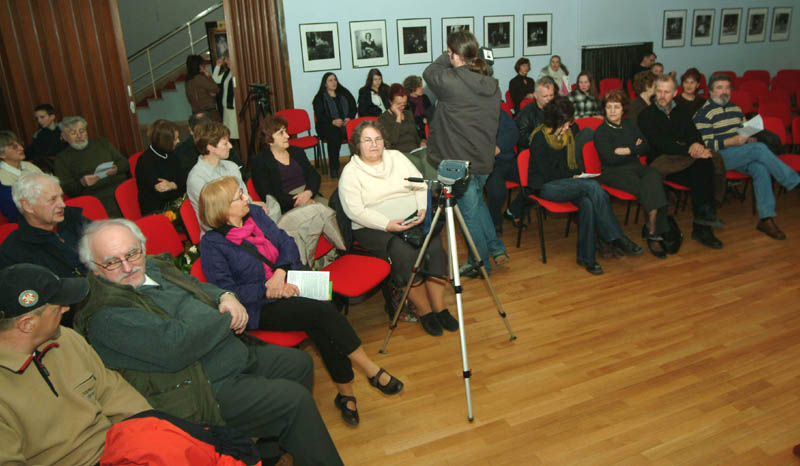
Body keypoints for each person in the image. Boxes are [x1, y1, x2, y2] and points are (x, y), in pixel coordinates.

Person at [74, 219, 344, 465]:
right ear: (95, 270)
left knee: (299, 364)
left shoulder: (154, 266)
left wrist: (225, 295)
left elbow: (198, 287)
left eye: (132, 253)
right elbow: (177, 345)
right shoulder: (105, 314)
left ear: (142, 248)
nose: (127, 267)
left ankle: (267, 452)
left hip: (227, 352)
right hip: (200, 387)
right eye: (112, 261)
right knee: (294, 402)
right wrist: (215, 309)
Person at [198, 176, 402, 426]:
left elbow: (286, 242)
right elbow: (226, 291)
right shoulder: (212, 245)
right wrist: (267, 288)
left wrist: (282, 272)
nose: (246, 198)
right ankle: (369, 372)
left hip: (290, 279)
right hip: (260, 305)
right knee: (322, 314)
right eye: (239, 197)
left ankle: (347, 394)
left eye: (242, 192)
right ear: (223, 209)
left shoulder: (254, 214)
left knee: (324, 315)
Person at [0, 263, 152, 466]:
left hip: (121, 448)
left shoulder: (66, 339)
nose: (66, 309)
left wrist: (151, 433)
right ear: (27, 324)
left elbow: (115, 393)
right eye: (57, 307)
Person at [339, 121, 456, 336]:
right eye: (367, 140)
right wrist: (387, 224)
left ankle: (440, 308)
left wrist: (422, 209)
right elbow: (354, 211)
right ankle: (425, 310)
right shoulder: (351, 172)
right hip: (374, 227)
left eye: (378, 139)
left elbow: (420, 184)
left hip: (413, 218)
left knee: (435, 246)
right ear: (357, 144)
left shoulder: (397, 158)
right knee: (404, 253)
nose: (374, 145)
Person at [423, 31, 508, 276]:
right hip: (483, 161)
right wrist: (461, 53)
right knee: (477, 207)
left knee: (469, 217)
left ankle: (480, 264)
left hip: (459, 164)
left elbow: (429, 72)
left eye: (450, 52)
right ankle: (496, 247)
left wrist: (449, 53)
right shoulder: (492, 84)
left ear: (455, 55)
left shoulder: (450, 81)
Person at [527, 97, 642, 274]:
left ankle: (586, 258)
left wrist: (575, 174)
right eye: (565, 123)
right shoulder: (539, 138)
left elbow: (566, 167)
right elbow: (547, 174)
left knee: (588, 203)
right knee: (593, 187)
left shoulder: (565, 136)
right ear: (554, 121)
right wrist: (572, 175)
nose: (568, 127)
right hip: (545, 187)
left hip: (565, 183)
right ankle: (615, 236)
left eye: (569, 123)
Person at [694, 73, 799, 240]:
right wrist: (733, 141)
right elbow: (706, 145)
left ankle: (766, 218)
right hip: (718, 158)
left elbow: (743, 131)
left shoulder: (736, 109)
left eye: (727, 88)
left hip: (739, 152)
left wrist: (748, 137)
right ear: (711, 92)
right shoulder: (703, 114)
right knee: (758, 149)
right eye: (719, 88)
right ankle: (793, 181)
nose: (724, 92)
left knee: (760, 168)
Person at [638, 74, 724, 249]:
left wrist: (696, 145)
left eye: (667, 92)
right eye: (659, 91)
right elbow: (661, 144)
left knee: (705, 164)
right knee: (702, 171)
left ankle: (702, 226)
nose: (662, 96)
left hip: (685, 160)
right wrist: (690, 150)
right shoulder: (646, 115)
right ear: (654, 91)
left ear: (675, 92)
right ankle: (703, 221)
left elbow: (693, 134)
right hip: (662, 163)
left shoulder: (681, 111)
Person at [593, 89, 670, 258]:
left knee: (655, 175)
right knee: (647, 186)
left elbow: (646, 146)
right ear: (604, 110)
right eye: (609, 107)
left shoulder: (629, 124)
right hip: (612, 172)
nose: (613, 111)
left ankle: (652, 223)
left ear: (623, 109)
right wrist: (634, 149)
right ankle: (654, 231)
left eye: (617, 107)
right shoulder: (601, 132)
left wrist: (627, 149)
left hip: (634, 166)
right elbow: (610, 159)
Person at [0, 173, 89, 291]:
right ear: (27, 206)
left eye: (61, 197)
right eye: (53, 199)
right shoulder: (14, 252)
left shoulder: (74, 219)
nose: (62, 204)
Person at [187, 120, 280, 229]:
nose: (230, 146)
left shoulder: (231, 167)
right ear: (210, 148)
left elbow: (245, 199)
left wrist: (254, 208)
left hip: (244, 221)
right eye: (225, 143)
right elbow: (210, 221)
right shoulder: (197, 179)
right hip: (221, 233)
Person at [54, 116, 128, 217]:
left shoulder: (102, 143)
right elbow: (67, 188)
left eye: (82, 131)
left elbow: (125, 163)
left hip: (118, 188)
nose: (79, 136)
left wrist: (116, 169)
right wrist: (82, 183)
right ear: (64, 136)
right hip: (95, 196)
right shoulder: (61, 159)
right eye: (73, 133)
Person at [250, 115, 325, 214]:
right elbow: (270, 196)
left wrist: (308, 192)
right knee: (323, 215)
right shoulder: (259, 162)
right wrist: (299, 201)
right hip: (287, 206)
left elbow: (314, 175)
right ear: (269, 140)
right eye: (281, 133)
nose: (287, 135)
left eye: (285, 131)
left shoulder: (297, 151)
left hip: (309, 194)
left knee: (333, 211)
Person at [173, 112, 247, 187]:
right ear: (191, 131)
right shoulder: (196, 178)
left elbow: (243, 173)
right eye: (200, 132)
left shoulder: (231, 165)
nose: (230, 146)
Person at [136, 119, 185, 216]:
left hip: (174, 203)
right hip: (158, 210)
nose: (178, 141)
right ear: (165, 142)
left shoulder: (171, 154)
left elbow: (185, 178)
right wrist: (179, 185)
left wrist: (173, 185)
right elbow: (164, 194)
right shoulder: (146, 162)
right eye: (175, 139)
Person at [312, 72, 356, 178]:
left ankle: (356, 164)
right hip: (326, 125)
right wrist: (332, 121)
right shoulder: (319, 98)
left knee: (358, 132)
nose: (333, 82)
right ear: (325, 84)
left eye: (335, 79)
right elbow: (320, 115)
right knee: (334, 134)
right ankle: (334, 168)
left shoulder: (344, 93)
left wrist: (349, 118)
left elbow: (353, 107)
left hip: (345, 124)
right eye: (330, 80)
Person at [486, 108, 520, 234]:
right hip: (491, 164)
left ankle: (514, 210)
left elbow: (514, 132)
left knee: (535, 180)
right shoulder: (471, 114)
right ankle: (495, 221)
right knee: (497, 191)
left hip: (508, 159)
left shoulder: (499, 112)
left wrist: (499, 146)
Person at [378, 83, 426, 153]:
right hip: (399, 153)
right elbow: (392, 141)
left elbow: (415, 135)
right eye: (398, 104)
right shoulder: (383, 118)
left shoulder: (408, 113)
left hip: (415, 150)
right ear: (390, 102)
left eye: (404, 104)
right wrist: (398, 118)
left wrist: (422, 142)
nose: (402, 107)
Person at [515, 76, 557, 151]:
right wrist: (544, 139)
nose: (549, 99)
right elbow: (521, 138)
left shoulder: (555, 107)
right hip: (533, 151)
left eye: (551, 95)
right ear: (535, 95)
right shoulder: (526, 112)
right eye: (545, 96)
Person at [25, 104, 67, 172]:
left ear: (52, 117)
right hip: (48, 167)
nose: (39, 121)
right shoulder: (38, 135)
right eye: (37, 118)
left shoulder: (64, 130)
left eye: (42, 117)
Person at [211, 52, 239, 143]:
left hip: (234, 107)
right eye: (226, 59)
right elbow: (215, 79)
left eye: (228, 59)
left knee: (235, 133)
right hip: (226, 107)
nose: (226, 61)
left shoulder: (237, 71)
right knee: (229, 133)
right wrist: (218, 66)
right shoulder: (228, 72)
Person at [184, 54, 221, 121]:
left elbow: (190, 98)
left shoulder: (188, 80)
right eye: (202, 64)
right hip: (208, 112)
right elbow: (216, 89)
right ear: (199, 66)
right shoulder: (199, 78)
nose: (204, 66)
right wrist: (209, 76)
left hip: (196, 112)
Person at [403, 75, 433, 140]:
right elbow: (409, 121)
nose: (422, 88)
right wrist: (423, 120)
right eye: (419, 87)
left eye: (421, 86)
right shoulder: (406, 102)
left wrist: (427, 119)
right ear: (412, 88)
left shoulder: (425, 98)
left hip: (428, 129)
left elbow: (431, 113)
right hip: (414, 132)